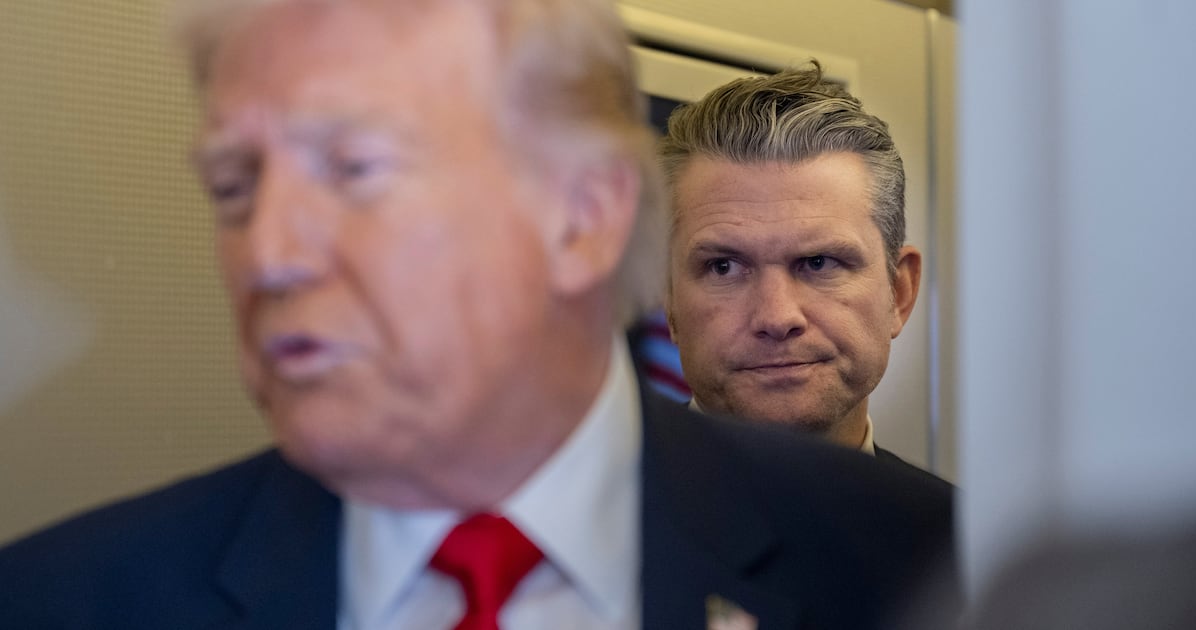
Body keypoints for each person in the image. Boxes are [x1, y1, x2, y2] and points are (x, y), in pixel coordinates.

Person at [0, 2, 954, 628]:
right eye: (234, 186)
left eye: (358, 169)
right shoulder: (63, 602)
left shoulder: (925, 559)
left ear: (583, 219)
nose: (268, 252)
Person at [659, 64, 947, 485]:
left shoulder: (959, 527)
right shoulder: (576, 524)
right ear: (669, 301)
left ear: (899, 293)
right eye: (724, 267)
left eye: (818, 263)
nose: (777, 318)